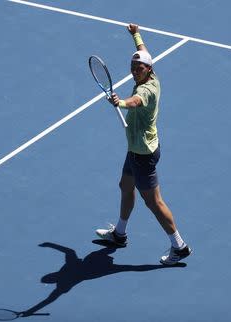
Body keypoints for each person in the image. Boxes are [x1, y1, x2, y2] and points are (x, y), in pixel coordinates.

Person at [95, 24, 192, 265]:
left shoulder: (147, 89)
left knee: (154, 202)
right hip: (138, 150)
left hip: (143, 155)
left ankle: (178, 246)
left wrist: (121, 102)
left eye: (138, 69)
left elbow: (137, 101)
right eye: (132, 68)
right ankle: (119, 234)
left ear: (148, 70)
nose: (134, 72)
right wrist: (136, 35)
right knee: (125, 185)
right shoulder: (151, 73)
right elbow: (143, 51)